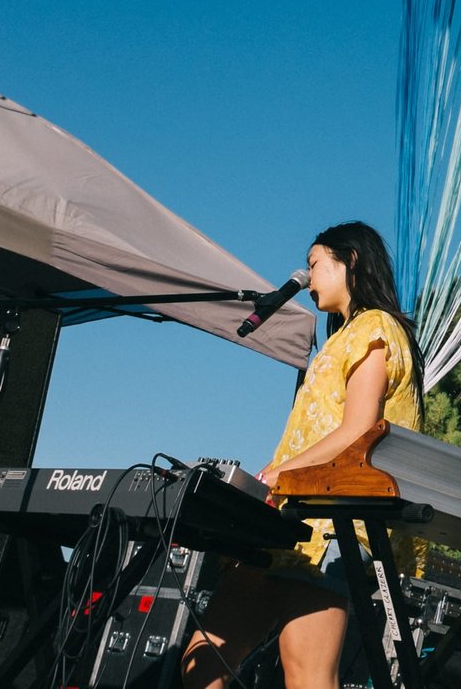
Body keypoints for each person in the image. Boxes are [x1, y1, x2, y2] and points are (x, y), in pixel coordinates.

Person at [182, 221, 425, 689]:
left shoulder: (376, 327)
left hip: (333, 519)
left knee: (307, 675)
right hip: (288, 516)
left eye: (315, 264)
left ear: (350, 260)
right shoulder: (338, 340)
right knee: (202, 662)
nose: (307, 276)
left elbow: (359, 429)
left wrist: (279, 471)